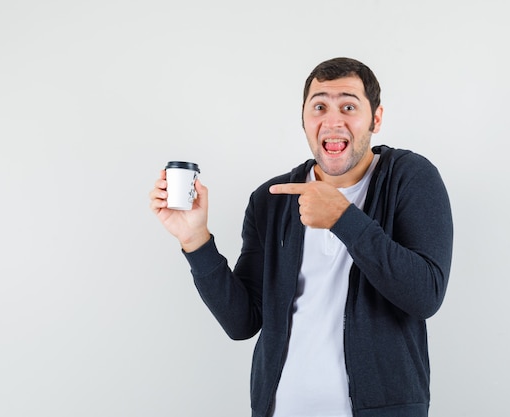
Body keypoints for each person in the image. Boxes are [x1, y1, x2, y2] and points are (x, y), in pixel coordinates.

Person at [149, 57, 453, 417]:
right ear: (305, 120)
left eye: (349, 106)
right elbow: (242, 322)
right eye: (319, 106)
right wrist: (195, 239)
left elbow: (425, 295)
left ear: (377, 118)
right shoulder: (271, 199)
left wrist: (343, 218)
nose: (333, 120)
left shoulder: (410, 177)